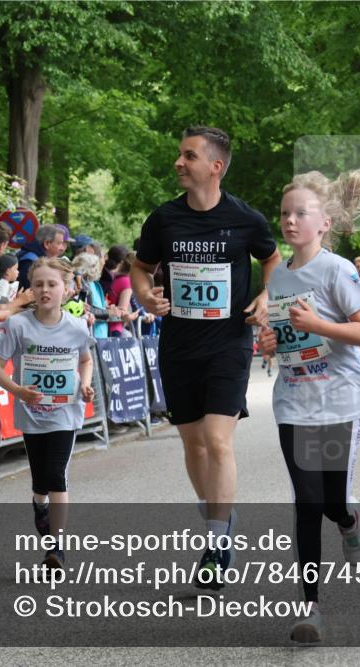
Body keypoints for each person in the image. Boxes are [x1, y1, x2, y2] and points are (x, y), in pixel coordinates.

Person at [130, 126, 281, 582]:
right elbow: (141, 267)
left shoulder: (245, 219)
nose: (179, 162)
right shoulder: (163, 219)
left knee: (217, 441)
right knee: (193, 445)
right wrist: (144, 297)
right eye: (180, 154)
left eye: (188, 156)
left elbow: (272, 258)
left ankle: (216, 545)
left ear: (215, 166)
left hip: (229, 343)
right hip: (178, 344)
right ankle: (218, 514)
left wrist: (267, 296)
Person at [256, 168, 360, 643]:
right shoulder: (280, 274)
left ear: (323, 222)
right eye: (285, 213)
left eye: (300, 214)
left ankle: (349, 519)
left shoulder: (338, 270)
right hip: (293, 402)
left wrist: (318, 327)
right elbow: (288, 334)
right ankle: (310, 608)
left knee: (331, 502)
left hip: (340, 401)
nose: (289, 221)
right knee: (306, 504)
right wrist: (272, 341)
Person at [0, 257, 96, 569]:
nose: (45, 290)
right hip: (33, 414)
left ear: (66, 289)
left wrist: (86, 385)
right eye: (38, 284)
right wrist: (19, 391)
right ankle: (40, 506)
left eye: (52, 284)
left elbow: (85, 360)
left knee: (57, 476)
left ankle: (57, 549)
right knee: (40, 482)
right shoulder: (18, 325)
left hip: (66, 411)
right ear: (31, 289)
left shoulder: (76, 326)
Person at [16, 224, 69, 290]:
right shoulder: (30, 263)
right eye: (59, 243)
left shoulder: (35, 258)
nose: (62, 248)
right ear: (47, 244)